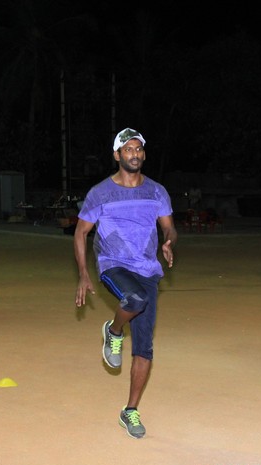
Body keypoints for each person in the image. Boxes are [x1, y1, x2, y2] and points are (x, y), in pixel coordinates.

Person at [74, 127, 177, 439]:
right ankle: (113, 330)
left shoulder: (157, 191)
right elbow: (80, 233)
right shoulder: (100, 193)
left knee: (144, 348)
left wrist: (169, 241)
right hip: (113, 264)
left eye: (139, 149)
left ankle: (130, 410)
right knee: (133, 299)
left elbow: (170, 228)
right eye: (128, 149)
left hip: (147, 269)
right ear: (117, 155)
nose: (135, 154)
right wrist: (83, 273)